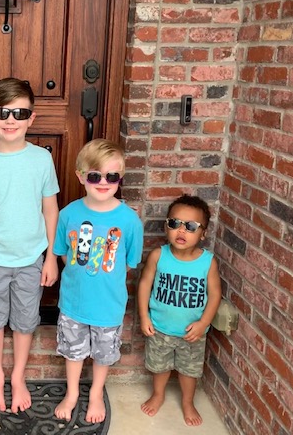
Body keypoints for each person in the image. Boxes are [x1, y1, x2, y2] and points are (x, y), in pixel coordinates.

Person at [0, 78, 60, 414]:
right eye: (2, 112)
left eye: (20, 112)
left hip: (32, 255)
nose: (10, 120)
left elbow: (51, 209)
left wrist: (51, 258)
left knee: (25, 318)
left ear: (31, 118)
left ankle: (17, 376)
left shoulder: (41, 160)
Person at [52, 139, 144, 424]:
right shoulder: (68, 214)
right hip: (74, 302)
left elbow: (127, 264)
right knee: (74, 352)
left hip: (109, 305)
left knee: (103, 355)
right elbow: (63, 254)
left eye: (111, 177)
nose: (103, 183)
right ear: (81, 176)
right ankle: (71, 394)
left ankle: (95, 393)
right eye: (94, 176)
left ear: (120, 178)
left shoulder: (129, 221)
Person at [137, 194, 221, 426]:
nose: (181, 231)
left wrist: (204, 323)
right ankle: (158, 394)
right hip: (160, 328)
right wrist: (144, 316)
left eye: (191, 226)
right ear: (167, 226)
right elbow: (144, 284)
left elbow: (215, 294)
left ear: (203, 233)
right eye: (175, 224)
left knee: (189, 371)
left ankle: (187, 401)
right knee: (160, 366)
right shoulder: (159, 256)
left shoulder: (207, 262)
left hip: (191, 332)